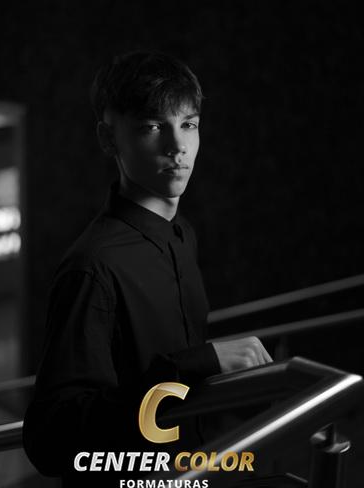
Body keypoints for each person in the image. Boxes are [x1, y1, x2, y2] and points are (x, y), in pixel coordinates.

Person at [22, 51, 272, 487]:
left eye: (189, 124)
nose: (178, 147)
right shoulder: (93, 267)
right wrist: (197, 364)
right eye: (153, 127)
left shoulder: (183, 233)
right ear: (108, 139)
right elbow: (52, 439)